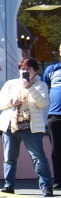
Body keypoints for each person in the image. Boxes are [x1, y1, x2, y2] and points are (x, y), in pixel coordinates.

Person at [0, 57, 53, 196]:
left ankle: (46, 186)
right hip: (11, 126)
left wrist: (30, 88)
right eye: (22, 69)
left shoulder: (40, 85)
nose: (24, 72)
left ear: (35, 71)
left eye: (28, 69)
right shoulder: (11, 84)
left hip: (31, 127)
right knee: (9, 157)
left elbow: (43, 103)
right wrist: (11, 101)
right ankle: (9, 185)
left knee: (38, 158)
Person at [40, 46, 61, 190]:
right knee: (56, 151)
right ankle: (59, 180)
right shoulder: (52, 69)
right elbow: (43, 88)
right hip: (55, 116)